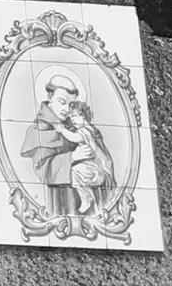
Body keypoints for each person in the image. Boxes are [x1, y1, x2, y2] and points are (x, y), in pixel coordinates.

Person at [20, 67, 116, 232]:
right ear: (49, 98)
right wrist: (72, 157)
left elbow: (100, 153)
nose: (66, 109)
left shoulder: (74, 125)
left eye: (71, 104)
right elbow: (42, 167)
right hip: (61, 198)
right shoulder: (40, 129)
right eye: (61, 102)